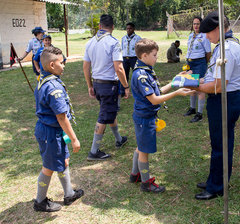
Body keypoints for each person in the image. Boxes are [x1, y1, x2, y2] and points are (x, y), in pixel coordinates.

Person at [129, 39, 195, 193]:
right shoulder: (141, 75)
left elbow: (157, 91)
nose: (156, 58)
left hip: (144, 116)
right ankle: (146, 183)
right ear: (144, 55)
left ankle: (135, 174)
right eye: (154, 55)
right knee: (144, 151)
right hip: (145, 118)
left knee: (141, 146)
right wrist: (177, 93)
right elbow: (154, 99)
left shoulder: (145, 70)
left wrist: (174, 82)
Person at [192, 12, 240, 200]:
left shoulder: (227, 49)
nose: (206, 36)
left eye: (208, 32)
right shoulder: (223, 46)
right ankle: (214, 179)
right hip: (221, 99)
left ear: (217, 29)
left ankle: (216, 187)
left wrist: (194, 86)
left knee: (221, 145)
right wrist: (195, 80)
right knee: (218, 142)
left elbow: (219, 85)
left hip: (225, 99)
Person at [33, 46, 84, 212]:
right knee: (48, 167)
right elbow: (61, 117)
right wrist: (74, 139)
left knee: (64, 160)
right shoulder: (53, 87)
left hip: (49, 130)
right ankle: (40, 201)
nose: (64, 66)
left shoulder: (43, 79)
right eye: (62, 63)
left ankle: (69, 193)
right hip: (50, 132)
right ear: (52, 65)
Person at [83, 14, 129, 161]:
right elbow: (119, 68)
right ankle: (94, 151)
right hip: (109, 85)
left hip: (97, 84)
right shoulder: (113, 42)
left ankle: (119, 139)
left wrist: (90, 85)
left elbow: (85, 66)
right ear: (113, 27)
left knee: (109, 111)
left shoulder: (90, 42)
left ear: (100, 26)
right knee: (104, 116)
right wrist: (126, 86)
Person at [184, 17, 211, 123]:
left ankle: (199, 114)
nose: (196, 26)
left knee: (200, 87)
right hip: (190, 63)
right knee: (191, 85)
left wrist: (203, 63)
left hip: (200, 63)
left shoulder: (204, 36)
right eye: (194, 24)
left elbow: (208, 53)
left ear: (202, 25)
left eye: (198, 24)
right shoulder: (191, 35)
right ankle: (192, 108)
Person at [120, 23, 141, 99]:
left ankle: (138, 90)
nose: (128, 30)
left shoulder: (138, 38)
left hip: (134, 58)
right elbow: (122, 48)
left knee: (136, 74)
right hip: (125, 58)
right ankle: (122, 91)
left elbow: (140, 49)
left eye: (130, 28)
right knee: (124, 75)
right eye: (127, 28)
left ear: (133, 29)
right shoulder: (123, 38)